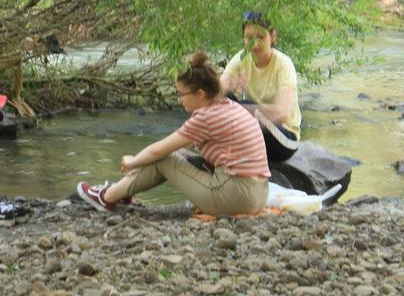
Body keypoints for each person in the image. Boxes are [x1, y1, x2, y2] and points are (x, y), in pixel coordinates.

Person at [76, 52, 270, 216]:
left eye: (181, 94)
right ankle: (124, 192)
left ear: (200, 94)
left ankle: (107, 197)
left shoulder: (206, 117)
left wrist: (132, 161)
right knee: (180, 155)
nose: (179, 100)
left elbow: (158, 151)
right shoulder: (228, 106)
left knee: (164, 159)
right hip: (258, 194)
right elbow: (180, 149)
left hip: (236, 198)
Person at [220, 11, 301, 162]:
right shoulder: (241, 59)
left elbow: (283, 112)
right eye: (249, 38)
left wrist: (244, 111)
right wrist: (227, 86)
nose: (255, 44)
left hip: (283, 138)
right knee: (222, 98)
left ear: (273, 37)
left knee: (241, 106)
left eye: (261, 37)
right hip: (254, 133)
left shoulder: (283, 64)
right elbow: (212, 96)